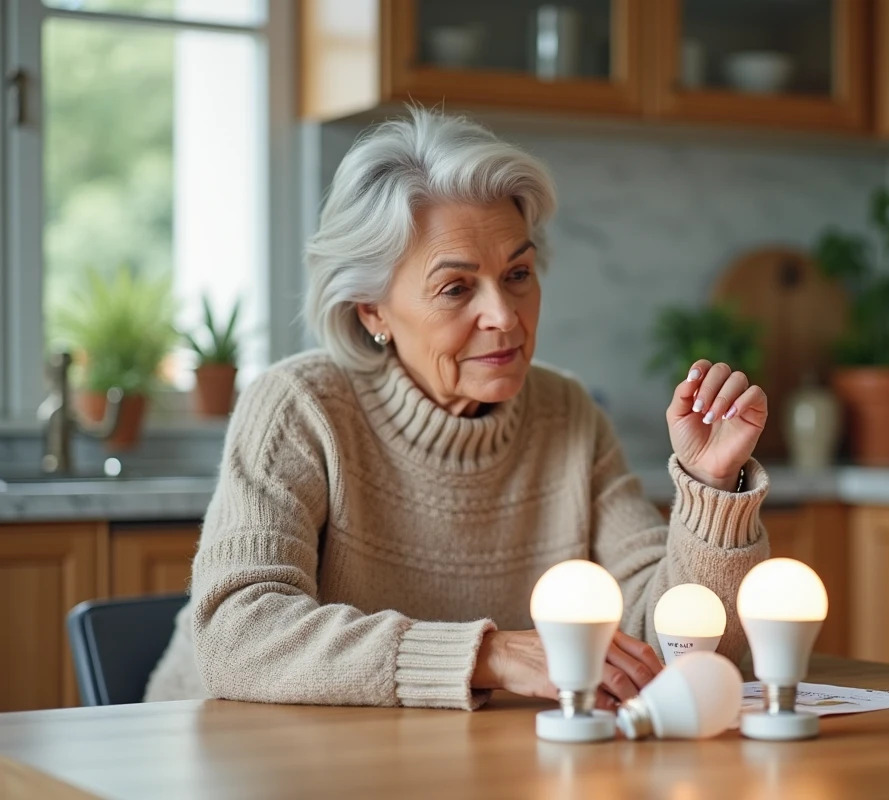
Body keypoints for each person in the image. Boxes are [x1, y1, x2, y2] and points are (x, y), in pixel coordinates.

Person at [145, 109, 772, 710]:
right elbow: (237, 634)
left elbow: (686, 652)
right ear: (373, 311)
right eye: (456, 287)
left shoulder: (566, 415)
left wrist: (711, 491)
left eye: (518, 273)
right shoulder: (300, 407)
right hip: (225, 760)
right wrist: (487, 656)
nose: (504, 316)